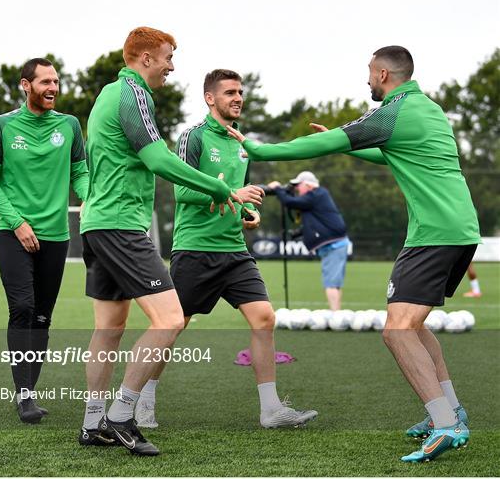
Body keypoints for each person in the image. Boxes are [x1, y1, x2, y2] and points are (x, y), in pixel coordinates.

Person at [226, 46, 480, 463]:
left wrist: (260, 150)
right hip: (459, 229)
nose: (367, 80)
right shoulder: (427, 109)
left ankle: (446, 424)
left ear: (382, 73)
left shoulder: (392, 110)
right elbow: (388, 153)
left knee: (396, 330)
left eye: (369, 73)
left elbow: (324, 142)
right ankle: (450, 409)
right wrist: (346, 146)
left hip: (433, 234)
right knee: (414, 326)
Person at [79, 28, 241, 456]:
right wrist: (219, 189)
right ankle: (120, 416)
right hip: (119, 225)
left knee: (110, 328)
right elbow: (158, 159)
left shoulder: (109, 94)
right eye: (168, 57)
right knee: (170, 319)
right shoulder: (132, 93)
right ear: (146, 58)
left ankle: (92, 423)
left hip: (98, 223)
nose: (172, 66)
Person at [133, 69, 317, 430]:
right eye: (229, 92)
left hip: (234, 251)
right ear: (210, 98)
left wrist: (249, 213)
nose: (237, 98)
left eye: (240, 92)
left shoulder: (241, 144)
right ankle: (143, 400)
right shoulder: (194, 137)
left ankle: (271, 410)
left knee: (264, 317)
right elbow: (182, 191)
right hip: (195, 250)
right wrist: (232, 195)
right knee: (171, 326)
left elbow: (240, 194)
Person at [0, 58, 89, 424]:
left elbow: (80, 171)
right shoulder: (2, 126)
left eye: (56, 81)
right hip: (13, 232)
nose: (53, 87)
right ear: (26, 86)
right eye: (45, 82)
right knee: (22, 308)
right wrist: (17, 222)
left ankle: (30, 392)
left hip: (56, 234)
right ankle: (24, 396)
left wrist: (88, 198)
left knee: (42, 316)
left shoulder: (70, 125)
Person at [267, 171, 349, 311]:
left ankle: (336, 315)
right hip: (335, 244)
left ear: (308, 184)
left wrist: (278, 189)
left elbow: (290, 202)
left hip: (333, 245)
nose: (297, 189)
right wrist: (301, 232)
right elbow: (317, 220)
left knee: (331, 283)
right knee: (334, 283)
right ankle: (337, 313)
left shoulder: (316, 194)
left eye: (298, 185)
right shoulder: (317, 196)